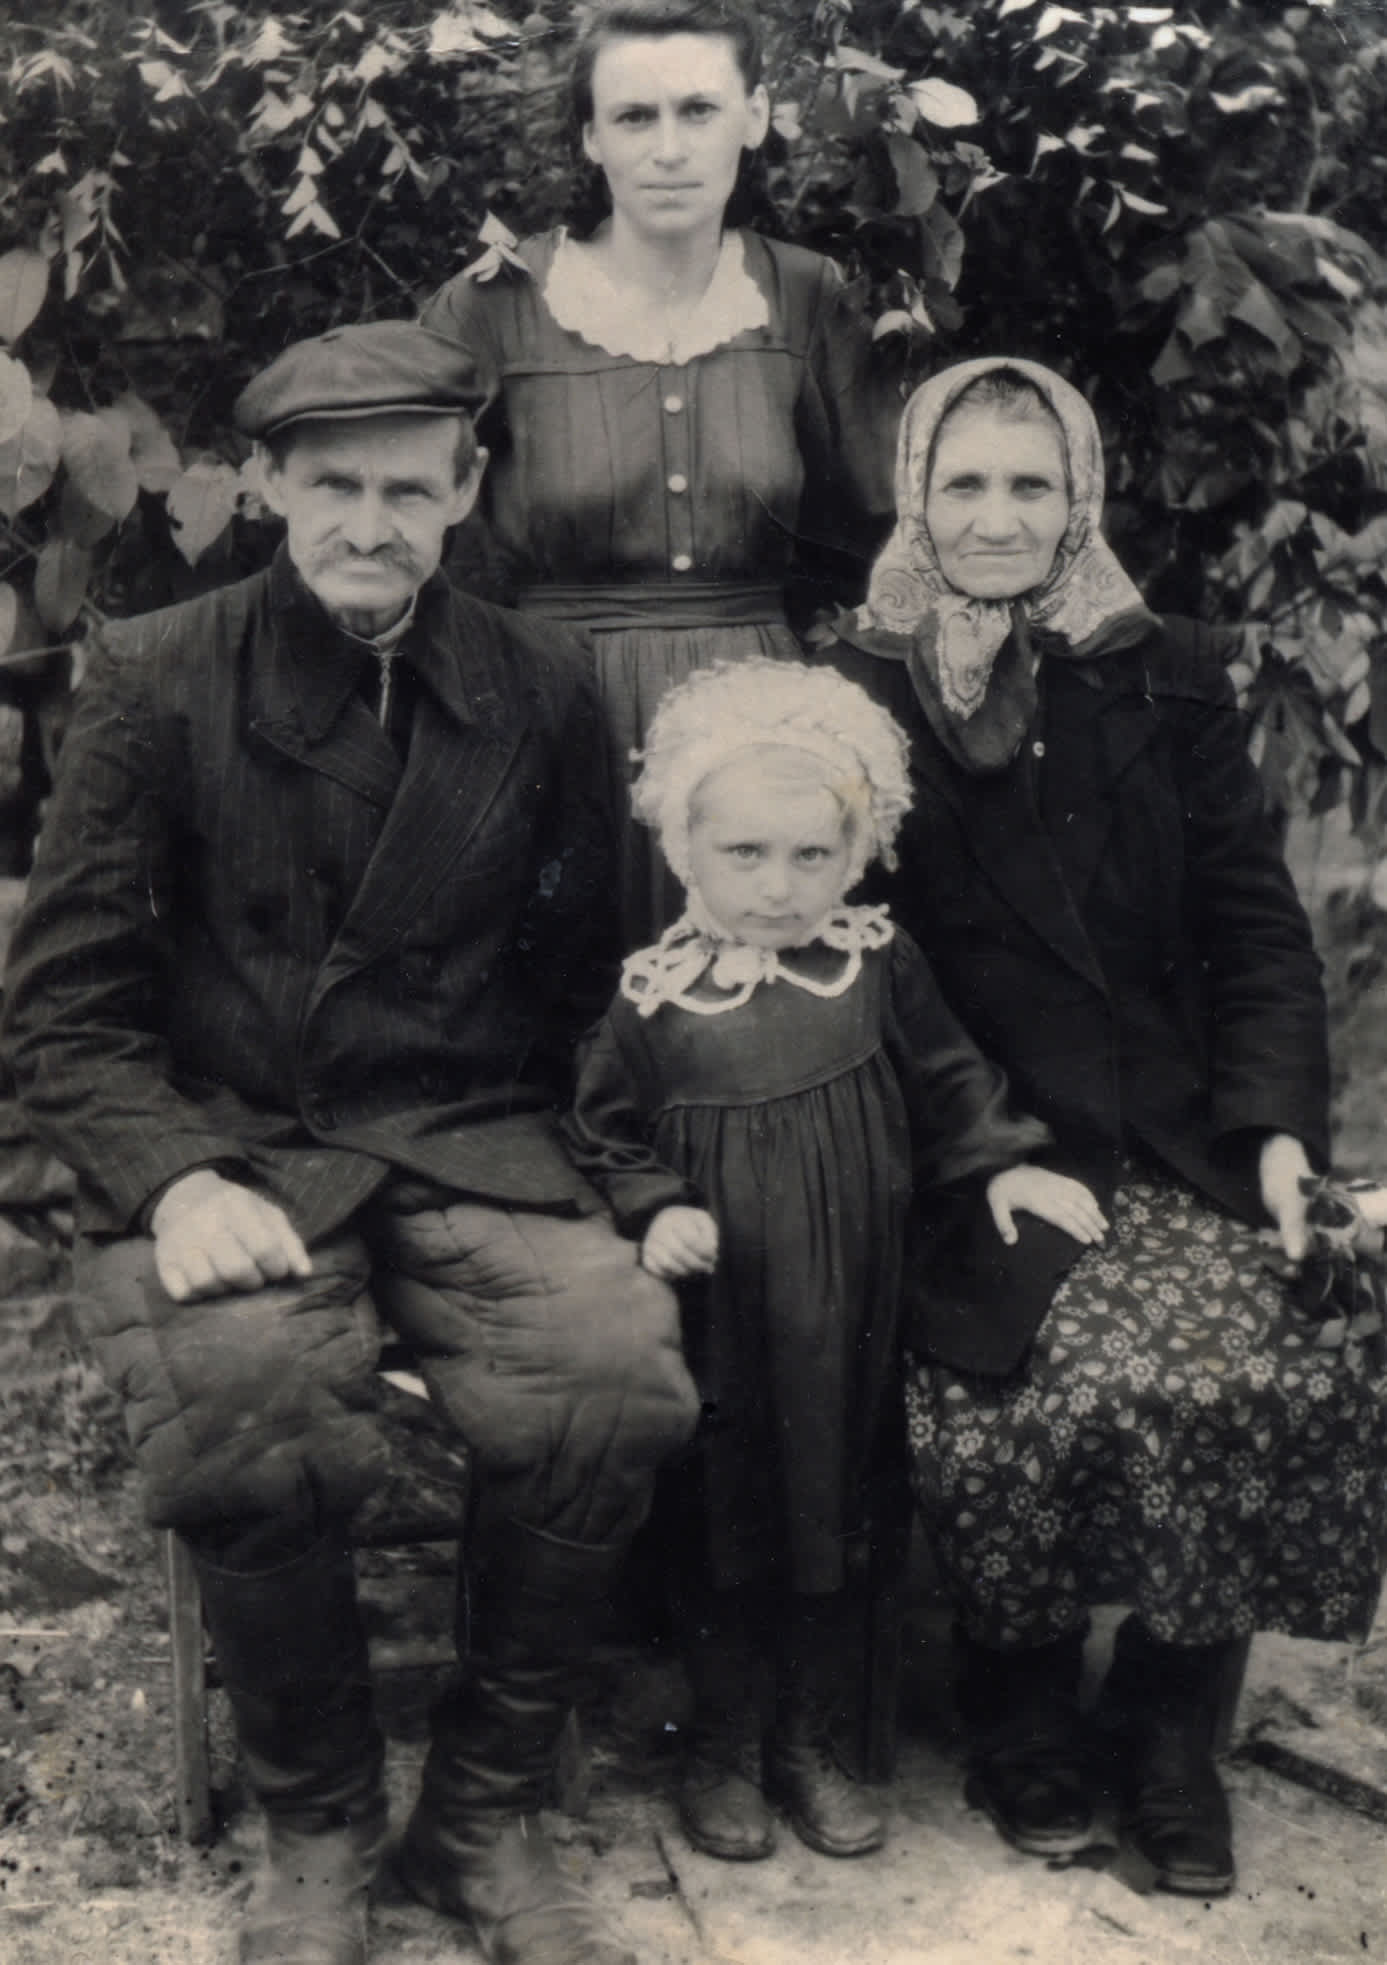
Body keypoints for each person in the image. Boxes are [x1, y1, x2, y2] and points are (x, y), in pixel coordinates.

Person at [1, 321, 701, 1965]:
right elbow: (64, 1010)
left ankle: (482, 1812)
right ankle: (316, 1822)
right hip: (234, 1144)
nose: (369, 526)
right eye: (332, 488)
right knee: (245, 1387)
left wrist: (605, 1166)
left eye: (407, 489)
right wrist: (168, 1181)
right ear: (265, 485)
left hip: (471, 1136)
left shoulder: (535, 686)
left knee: (612, 1370)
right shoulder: (159, 675)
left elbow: (587, 978)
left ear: (464, 494)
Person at [823, 355, 1387, 1897]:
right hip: (980, 1141)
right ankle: (1017, 1708)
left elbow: (1253, 931)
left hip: (1175, 1133)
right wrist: (977, 1155)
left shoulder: (1170, 668)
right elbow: (852, 960)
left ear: (1078, 499)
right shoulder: (854, 686)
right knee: (1048, 1376)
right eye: (962, 484)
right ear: (912, 495)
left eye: (1028, 485)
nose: (994, 519)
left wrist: (1276, 1134)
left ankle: (1162, 1714)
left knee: (1285, 1337)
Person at [561, 657, 1100, 1865]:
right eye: (743, 854)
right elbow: (596, 1126)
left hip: (850, 1305)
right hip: (724, 1319)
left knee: (836, 1512)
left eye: (812, 856)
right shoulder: (652, 1001)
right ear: (683, 850)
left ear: (856, 854)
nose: (777, 886)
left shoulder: (871, 965)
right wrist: (651, 1205)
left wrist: (1000, 1160)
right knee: (724, 1518)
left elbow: (954, 1081)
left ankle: (810, 1740)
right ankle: (719, 1741)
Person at [422, 0, 897, 941]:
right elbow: (429, 533)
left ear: (754, 119)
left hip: (762, 731)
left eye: (698, 110)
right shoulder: (495, 304)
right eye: (634, 117)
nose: (668, 147)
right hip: (546, 720)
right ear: (591, 137)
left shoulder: (808, 296)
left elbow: (874, 526)